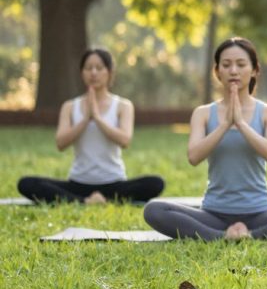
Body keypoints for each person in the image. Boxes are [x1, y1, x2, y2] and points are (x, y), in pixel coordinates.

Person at [144, 38, 267, 241]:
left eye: (241, 64)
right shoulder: (203, 113)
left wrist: (240, 123)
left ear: (255, 70)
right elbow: (194, 157)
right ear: (217, 71)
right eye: (226, 65)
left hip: (259, 213)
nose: (233, 71)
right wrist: (224, 125)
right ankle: (223, 236)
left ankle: (250, 235)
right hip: (213, 213)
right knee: (154, 210)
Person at [17, 48, 164, 204]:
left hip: (114, 182)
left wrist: (98, 118)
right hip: (78, 182)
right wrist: (85, 118)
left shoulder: (123, 105)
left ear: (109, 72)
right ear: (82, 73)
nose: (93, 73)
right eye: (88, 68)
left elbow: (125, 140)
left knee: (155, 183)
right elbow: (61, 143)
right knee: (27, 183)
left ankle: (94, 199)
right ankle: (86, 201)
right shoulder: (70, 106)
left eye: (99, 68)